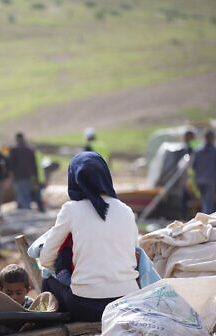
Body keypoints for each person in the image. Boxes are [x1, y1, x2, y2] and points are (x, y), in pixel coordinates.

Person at [38, 152, 139, 322]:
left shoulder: (71, 209)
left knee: (47, 280)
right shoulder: (126, 210)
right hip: (127, 301)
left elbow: (46, 259)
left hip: (86, 306)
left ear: (74, 179)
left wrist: (66, 271)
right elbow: (134, 256)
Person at [191, 130, 216, 214]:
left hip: (199, 180)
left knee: (204, 200)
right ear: (213, 138)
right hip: (210, 180)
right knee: (208, 202)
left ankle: (204, 219)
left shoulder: (197, 151)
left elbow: (193, 166)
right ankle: (206, 221)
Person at [8, 132, 38, 210]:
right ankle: (19, 212)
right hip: (28, 176)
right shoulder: (30, 149)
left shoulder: (13, 149)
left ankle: (28, 212)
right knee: (22, 195)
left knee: (23, 196)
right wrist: (35, 179)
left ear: (16, 138)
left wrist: (10, 177)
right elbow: (34, 165)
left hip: (18, 176)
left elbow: (11, 164)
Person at [179, 130, 197, 220]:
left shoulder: (192, 148)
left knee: (189, 199)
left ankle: (186, 218)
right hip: (189, 178)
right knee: (185, 199)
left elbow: (189, 166)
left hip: (191, 178)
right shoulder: (189, 147)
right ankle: (185, 218)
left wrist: (188, 180)